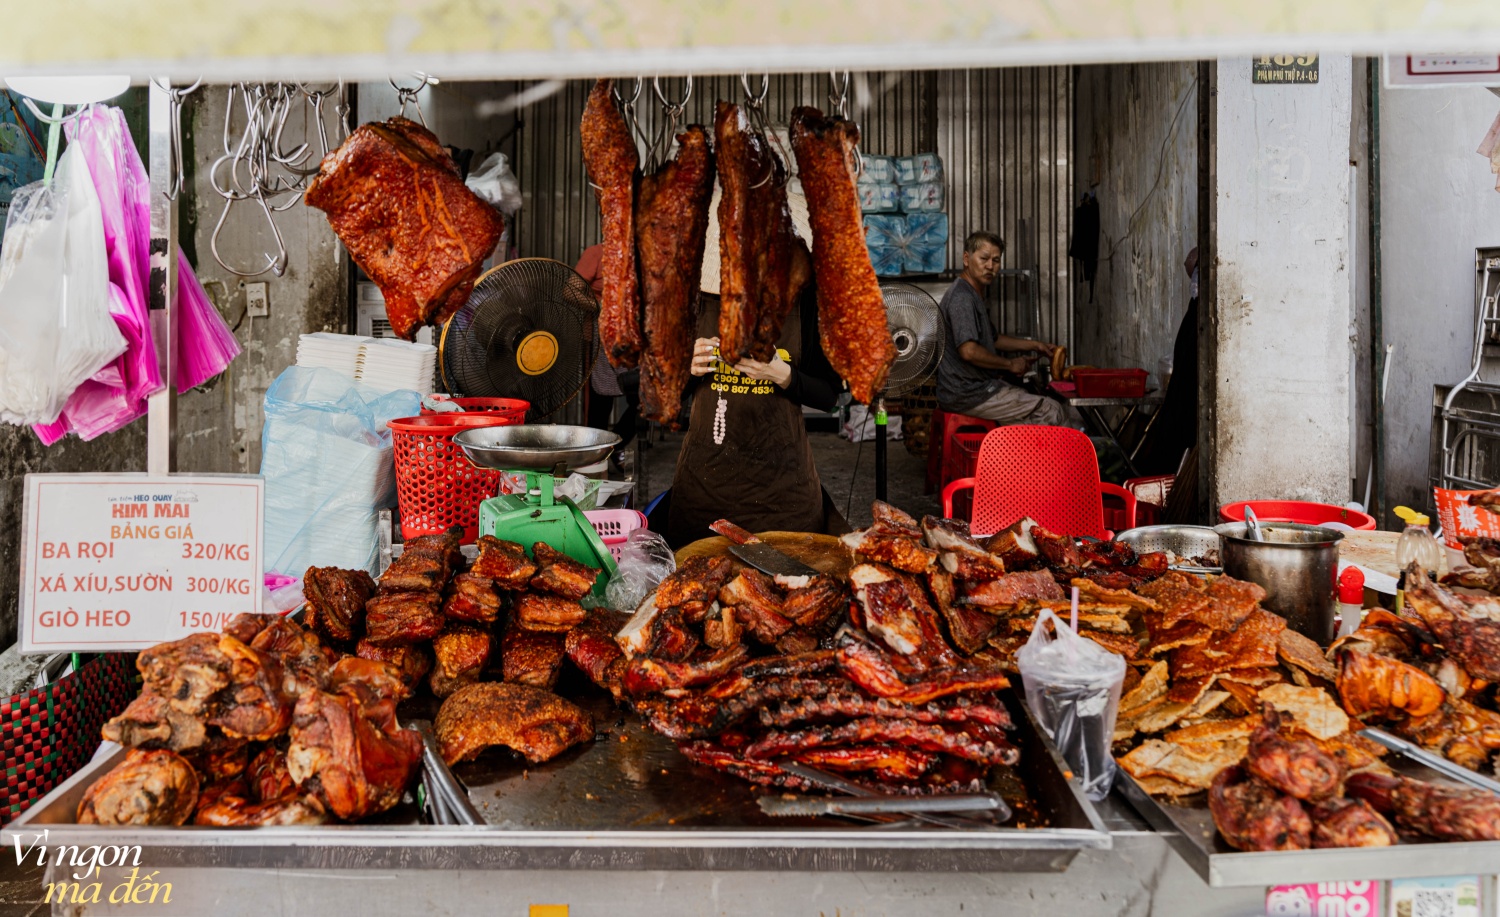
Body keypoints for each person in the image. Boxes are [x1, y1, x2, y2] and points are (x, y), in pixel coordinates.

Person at [663, 288, 849, 549]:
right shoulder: (692, 292)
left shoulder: (804, 297)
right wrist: (685, 369)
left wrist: (782, 374)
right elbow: (662, 398)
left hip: (784, 493)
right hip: (704, 488)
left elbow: (829, 397)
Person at [936, 231, 1068, 427]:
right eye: (984, 258)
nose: (990, 266)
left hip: (977, 389)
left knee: (1029, 396)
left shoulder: (973, 294)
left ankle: (1016, 456)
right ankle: (1039, 458)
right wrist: (1009, 364)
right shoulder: (962, 298)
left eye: (996, 260)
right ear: (966, 259)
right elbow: (969, 351)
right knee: (1051, 409)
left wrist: (1036, 345)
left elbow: (994, 339)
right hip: (966, 393)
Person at [574, 244, 638, 452]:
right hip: (598, 338)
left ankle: (615, 445)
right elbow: (570, 291)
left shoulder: (641, 254)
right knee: (600, 404)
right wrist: (601, 308)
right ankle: (595, 457)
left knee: (643, 399)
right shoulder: (596, 253)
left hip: (631, 337)